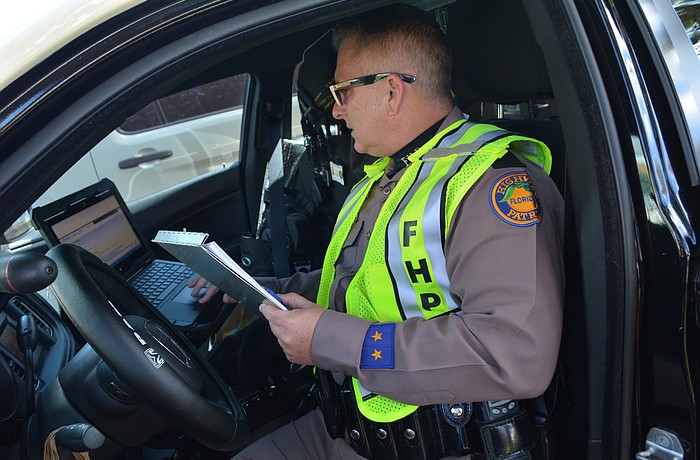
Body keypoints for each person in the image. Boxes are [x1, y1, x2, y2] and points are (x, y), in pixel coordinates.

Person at [191, 4, 564, 459]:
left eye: (342, 90)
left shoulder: (490, 184)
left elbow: (511, 353)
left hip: (436, 443)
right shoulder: (389, 174)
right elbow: (368, 284)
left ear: (390, 91)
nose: (336, 109)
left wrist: (326, 340)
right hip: (350, 425)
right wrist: (261, 290)